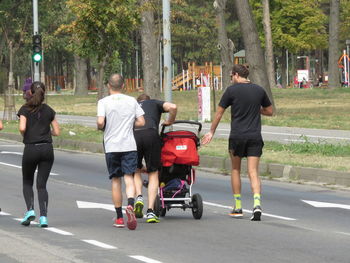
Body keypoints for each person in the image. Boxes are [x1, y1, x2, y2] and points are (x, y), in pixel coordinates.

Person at [201, 64, 273, 221]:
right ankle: (257, 205)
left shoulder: (231, 91)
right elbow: (270, 111)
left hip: (237, 137)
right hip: (255, 137)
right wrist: (255, 108)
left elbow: (219, 113)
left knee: (235, 170)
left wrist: (211, 131)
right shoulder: (259, 90)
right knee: (253, 171)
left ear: (235, 75)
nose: (231, 79)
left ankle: (238, 206)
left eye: (231, 76)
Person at [97, 74, 145, 230]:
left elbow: (100, 122)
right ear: (123, 85)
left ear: (108, 86)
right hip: (129, 145)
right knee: (129, 177)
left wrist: (102, 127)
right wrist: (130, 124)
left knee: (116, 180)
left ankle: (119, 217)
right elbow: (141, 121)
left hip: (112, 146)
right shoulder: (132, 101)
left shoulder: (103, 102)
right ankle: (130, 204)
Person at [17, 81, 60, 227]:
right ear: (44, 92)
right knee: (42, 185)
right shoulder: (49, 110)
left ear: (30, 92)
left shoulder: (25, 109)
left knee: (27, 181)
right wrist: (48, 133)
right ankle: (43, 218)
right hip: (47, 149)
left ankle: (30, 210)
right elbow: (57, 131)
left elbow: (22, 127)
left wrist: (28, 133)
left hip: (31, 148)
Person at [133, 94, 177, 223]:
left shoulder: (133, 105)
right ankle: (151, 211)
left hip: (134, 135)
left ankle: (139, 197)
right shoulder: (154, 103)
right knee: (153, 173)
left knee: (135, 170)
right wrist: (170, 121)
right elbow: (173, 107)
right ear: (149, 99)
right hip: (151, 134)